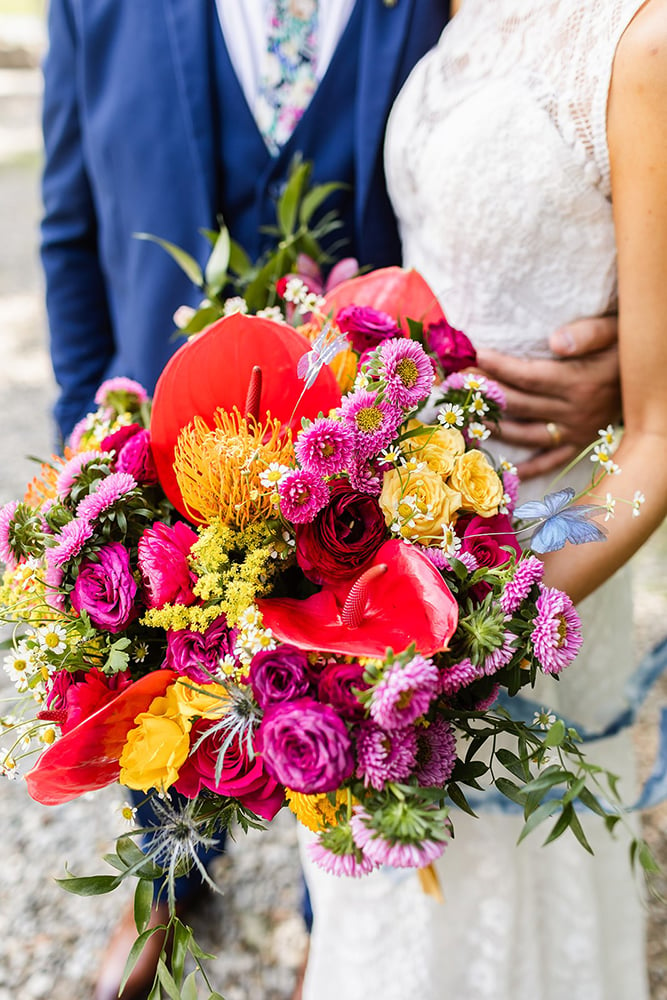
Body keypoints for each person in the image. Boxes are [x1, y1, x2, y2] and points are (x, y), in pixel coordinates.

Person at [39, 2, 626, 998]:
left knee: (334, 708)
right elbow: (69, 225)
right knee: (164, 678)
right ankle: (166, 880)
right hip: (173, 429)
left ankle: (335, 902)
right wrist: (87, 429)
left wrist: (626, 364)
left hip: (388, 462)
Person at [297, 1, 667, 999]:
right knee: (383, 906)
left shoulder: (639, 42)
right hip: (378, 566)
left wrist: (483, 622)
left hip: (536, 576)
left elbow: (657, 438)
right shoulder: (450, 13)